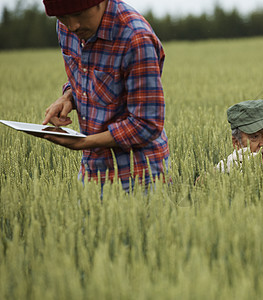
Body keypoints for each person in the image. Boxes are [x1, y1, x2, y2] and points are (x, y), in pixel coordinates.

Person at [40, 0, 169, 192]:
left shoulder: (136, 38)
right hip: (90, 172)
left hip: (140, 178)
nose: (73, 25)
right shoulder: (67, 28)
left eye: (80, 13)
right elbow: (86, 77)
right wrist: (69, 96)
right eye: (63, 17)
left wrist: (83, 143)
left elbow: (147, 124)